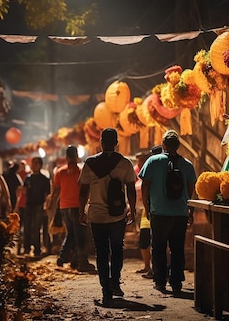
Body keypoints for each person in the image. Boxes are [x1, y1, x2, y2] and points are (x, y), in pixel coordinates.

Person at [78, 128, 136, 305]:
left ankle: (106, 290)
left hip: (96, 216)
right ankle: (115, 282)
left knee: (101, 253)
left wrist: (81, 211)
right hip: (117, 216)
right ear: (116, 143)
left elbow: (82, 191)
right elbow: (131, 189)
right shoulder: (125, 163)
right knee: (117, 249)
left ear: (101, 143)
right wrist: (132, 210)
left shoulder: (89, 163)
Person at [138, 130, 196, 294]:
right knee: (177, 248)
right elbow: (191, 189)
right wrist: (188, 210)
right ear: (178, 145)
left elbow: (145, 185)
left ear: (163, 145)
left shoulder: (153, 161)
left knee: (158, 247)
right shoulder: (187, 164)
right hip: (180, 213)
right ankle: (176, 282)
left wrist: (147, 207)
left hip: (159, 212)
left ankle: (160, 281)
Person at [49, 145, 96, 272]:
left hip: (64, 207)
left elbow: (55, 191)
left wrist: (51, 204)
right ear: (76, 156)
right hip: (76, 206)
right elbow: (86, 189)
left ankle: (66, 259)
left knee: (72, 234)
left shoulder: (60, 171)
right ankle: (82, 262)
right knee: (79, 235)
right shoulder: (81, 171)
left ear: (66, 157)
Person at [134, 146, 162, 278]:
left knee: (155, 241)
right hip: (148, 210)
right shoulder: (141, 170)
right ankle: (150, 267)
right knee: (146, 240)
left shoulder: (152, 167)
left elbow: (145, 188)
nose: (138, 163)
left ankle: (157, 270)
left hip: (153, 209)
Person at [22, 156, 51, 257]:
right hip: (29, 205)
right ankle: (26, 248)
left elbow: (47, 194)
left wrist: (46, 207)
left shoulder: (44, 179)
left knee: (36, 228)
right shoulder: (28, 178)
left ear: (40, 165)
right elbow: (24, 191)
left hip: (39, 205)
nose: (33, 165)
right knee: (27, 227)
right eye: (33, 163)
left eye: (36, 163)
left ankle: (37, 249)